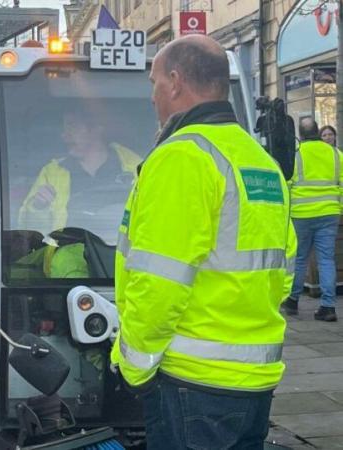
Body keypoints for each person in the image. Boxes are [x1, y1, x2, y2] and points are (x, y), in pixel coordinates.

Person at [110, 35, 296, 449]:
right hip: (254, 381)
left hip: (192, 382)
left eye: (154, 83)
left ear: (175, 82)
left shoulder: (182, 157)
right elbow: (283, 272)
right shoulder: (256, 159)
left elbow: (159, 282)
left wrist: (132, 366)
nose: (153, 96)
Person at [18, 110, 141, 235]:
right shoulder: (52, 173)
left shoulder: (136, 168)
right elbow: (29, 232)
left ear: (97, 129)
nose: (64, 135)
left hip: (118, 253)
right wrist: (38, 207)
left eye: (72, 126)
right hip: (69, 251)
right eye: (64, 128)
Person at [282, 118, 342, 321]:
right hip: (329, 214)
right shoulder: (336, 154)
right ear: (318, 131)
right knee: (326, 260)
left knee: (299, 259)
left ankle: (292, 301)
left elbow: (287, 184)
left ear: (300, 133)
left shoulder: (296, 155)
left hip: (301, 214)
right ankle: (328, 307)